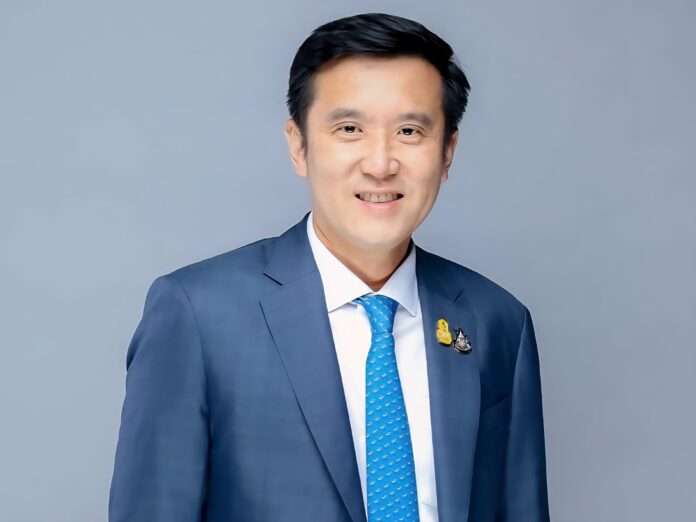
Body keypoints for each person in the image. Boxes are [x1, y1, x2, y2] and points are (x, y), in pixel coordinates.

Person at [108, 12, 550, 522]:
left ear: (447, 151)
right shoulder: (199, 315)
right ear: (299, 145)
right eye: (350, 129)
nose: (380, 164)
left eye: (409, 131)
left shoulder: (497, 323)